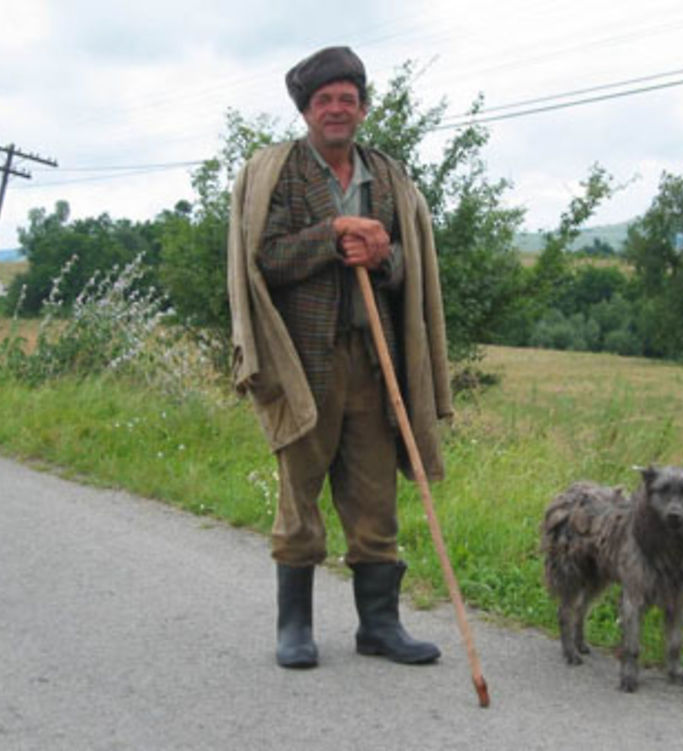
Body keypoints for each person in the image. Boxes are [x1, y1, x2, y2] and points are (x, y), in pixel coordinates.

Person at [227, 46, 453, 669]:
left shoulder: (388, 176)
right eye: (324, 100)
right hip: (302, 365)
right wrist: (332, 237)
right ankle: (294, 628)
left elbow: (411, 270)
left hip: (374, 365)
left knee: (376, 502)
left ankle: (379, 627)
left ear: (362, 108)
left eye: (347, 99)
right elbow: (265, 258)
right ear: (306, 109)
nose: (336, 109)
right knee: (300, 499)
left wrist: (381, 257)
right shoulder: (277, 173)